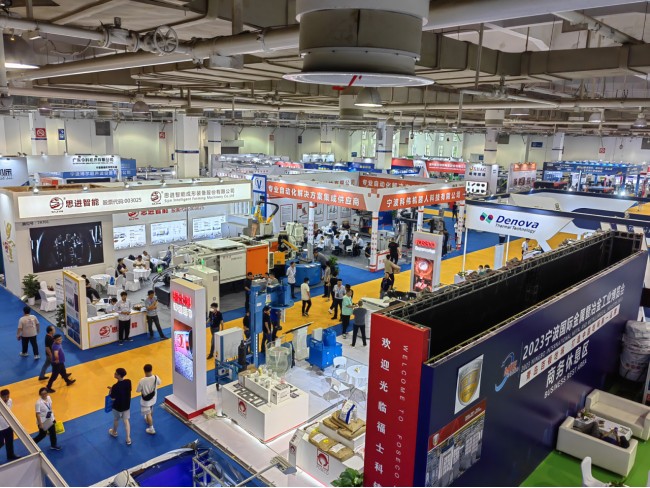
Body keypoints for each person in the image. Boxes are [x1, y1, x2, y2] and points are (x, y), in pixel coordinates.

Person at [108, 368, 132, 445]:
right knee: (126, 421)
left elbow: (112, 397)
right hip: (126, 405)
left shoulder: (115, 386)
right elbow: (126, 390)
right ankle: (128, 438)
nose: (114, 374)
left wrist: (111, 391)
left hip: (117, 406)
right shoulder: (128, 382)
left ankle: (114, 432)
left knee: (116, 419)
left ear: (118, 375)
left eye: (116, 373)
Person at [136, 364, 161, 435]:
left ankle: (151, 428)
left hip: (146, 401)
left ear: (144, 371)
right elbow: (159, 383)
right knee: (151, 409)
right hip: (153, 398)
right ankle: (148, 420)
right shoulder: (156, 377)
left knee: (148, 413)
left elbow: (138, 390)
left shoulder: (142, 381)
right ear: (151, 369)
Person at [0, 389, 19, 461]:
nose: (6, 399)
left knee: (10, 441)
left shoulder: (10, 401)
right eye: (4, 397)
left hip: (8, 425)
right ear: (1, 396)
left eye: (7, 396)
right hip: (0, 428)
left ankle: (10, 455)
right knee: (1, 443)